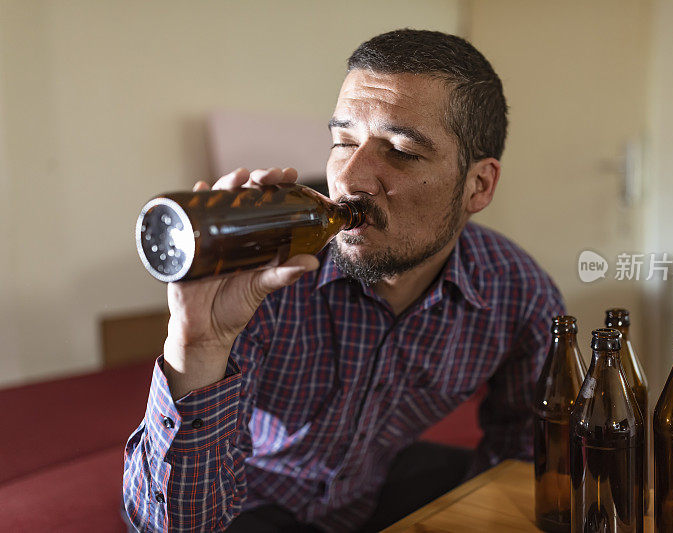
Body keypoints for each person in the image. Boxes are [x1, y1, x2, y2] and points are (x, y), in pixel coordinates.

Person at [123, 29, 564, 532]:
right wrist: (198, 346)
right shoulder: (264, 284)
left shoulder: (517, 292)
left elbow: (525, 449)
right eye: (343, 141)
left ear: (478, 185)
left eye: (400, 150)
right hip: (252, 501)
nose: (350, 178)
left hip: (373, 488)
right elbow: (169, 527)